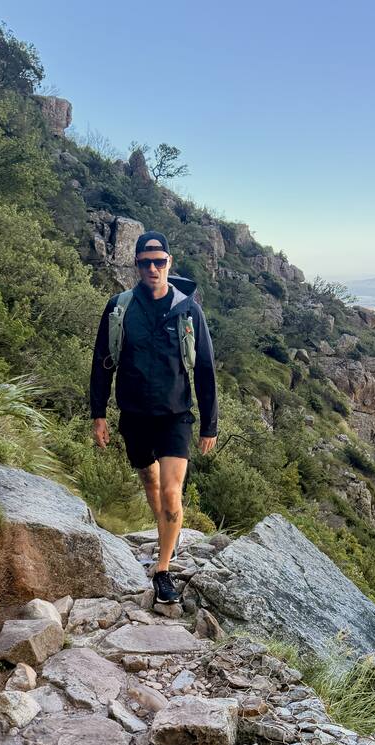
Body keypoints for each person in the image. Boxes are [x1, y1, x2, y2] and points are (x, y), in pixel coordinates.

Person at [90, 231, 218, 604]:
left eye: (159, 262)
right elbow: (102, 362)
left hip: (175, 415)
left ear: (169, 263)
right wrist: (99, 413)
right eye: (145, 262)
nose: (152, 269)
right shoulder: (119, 307)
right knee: (149, 479)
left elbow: (205, 368)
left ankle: (162, 569)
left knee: (171, 492)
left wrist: (209, 423)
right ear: (137, 265)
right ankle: (165, 531)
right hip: (133, 413)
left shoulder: (188, 309)